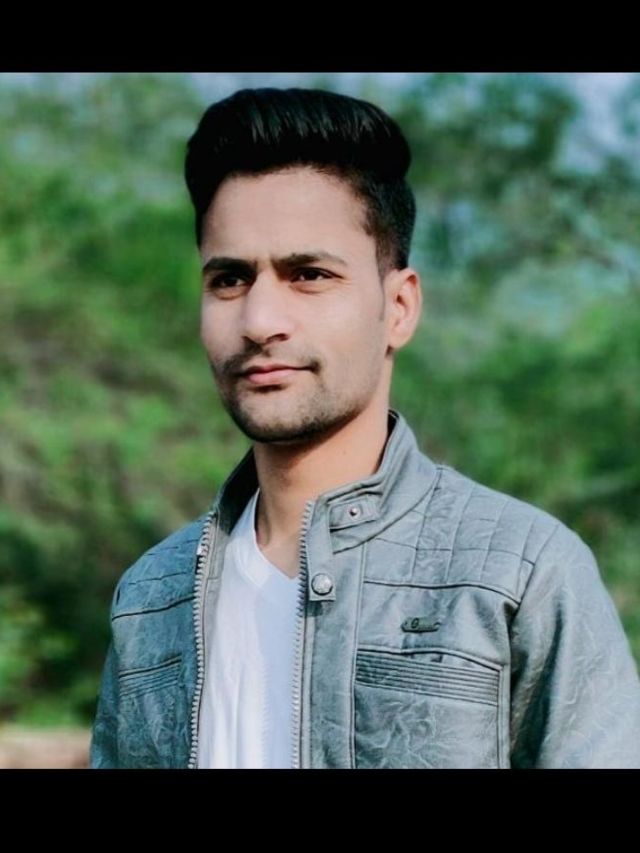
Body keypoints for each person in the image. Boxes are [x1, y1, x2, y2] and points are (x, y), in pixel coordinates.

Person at [89, 86, 640, 769]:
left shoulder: (519, 572)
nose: (259, 320)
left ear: (399, 307)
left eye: (309, 274)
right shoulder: (151, 596)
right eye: (229, 279)